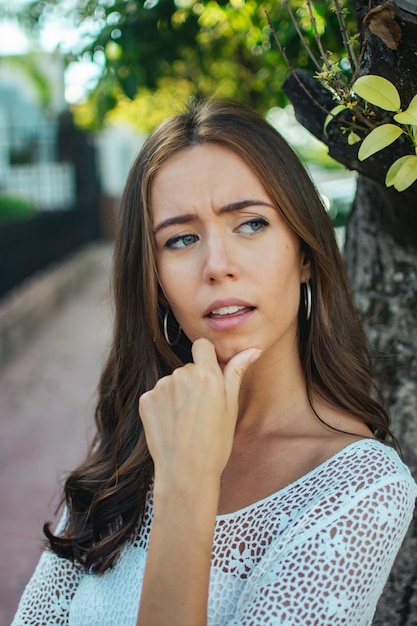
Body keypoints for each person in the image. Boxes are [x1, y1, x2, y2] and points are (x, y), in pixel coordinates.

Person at [12, 98, 416, 626]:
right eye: (181, 239)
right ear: (154, 280)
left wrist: (187, 486)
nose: (217, 266)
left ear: (303, 251)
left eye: (250, 224)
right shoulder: (141, 435)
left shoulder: (358, 488)